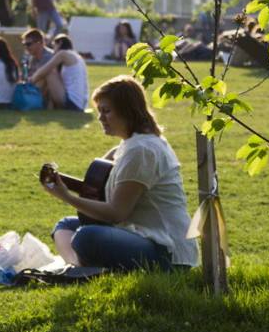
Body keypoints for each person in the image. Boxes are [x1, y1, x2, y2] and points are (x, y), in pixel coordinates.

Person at [42, 76, 199, 271]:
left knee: (86, 237)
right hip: (137, 234)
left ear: (128, 111)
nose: (100, 118)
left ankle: (81, 267)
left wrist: (66, 196)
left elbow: (116, 213)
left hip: (166, 251)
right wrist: (63, 184)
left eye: (106, 111)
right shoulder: (129, 145)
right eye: (100, 111)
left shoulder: (142, 150)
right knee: (65, 226)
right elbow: (97, 184)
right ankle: (77, 267)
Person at [29, 34, 89, 111]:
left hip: (73, 103)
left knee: (49, 73)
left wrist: (31, 81)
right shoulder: (75, 56)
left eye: (54, 46)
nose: (53, 50)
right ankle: (37, 101)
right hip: (80, 104)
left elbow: (44, 70)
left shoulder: (62, 54)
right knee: (52, 74)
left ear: (60, 43)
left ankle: (31, 97)